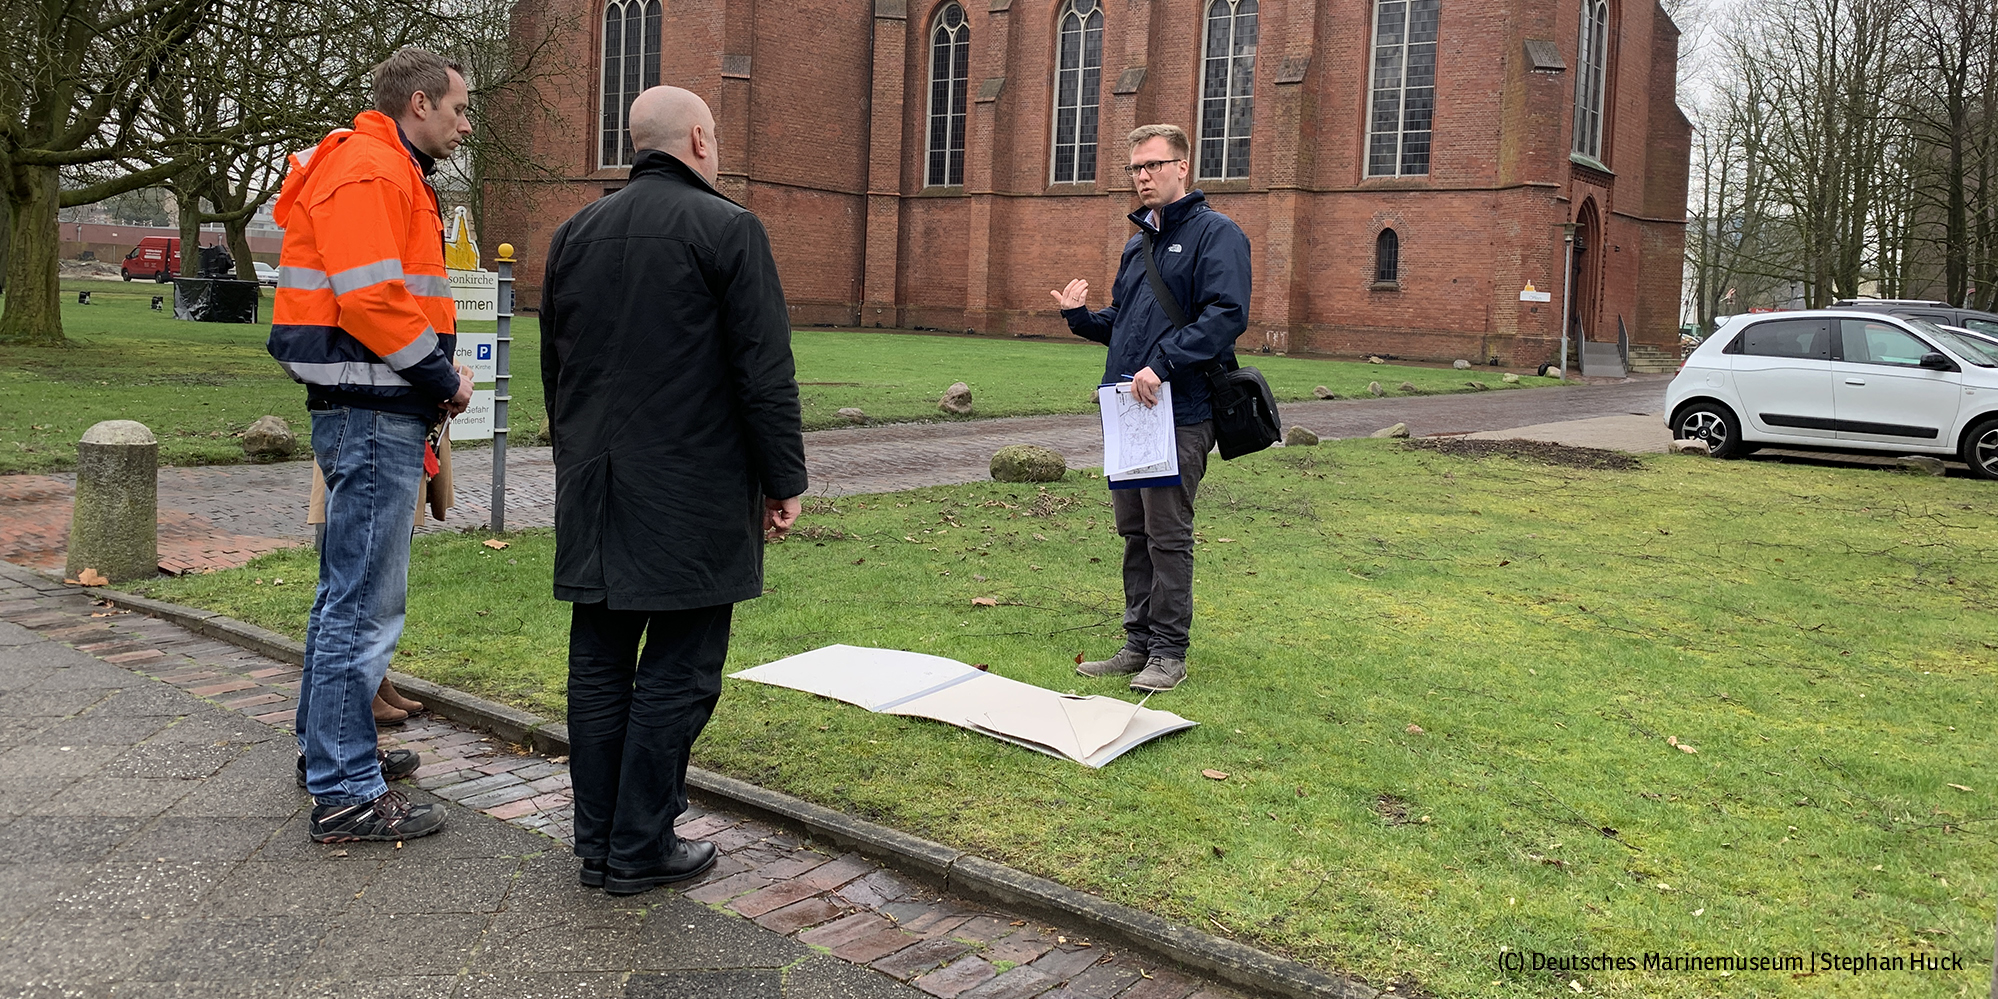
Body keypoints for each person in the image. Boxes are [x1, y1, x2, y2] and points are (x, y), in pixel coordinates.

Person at [541, 86, 807, 896]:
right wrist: (783, 478)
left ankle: (599, 842)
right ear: (698, 138)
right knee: (680, 669)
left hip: (596, 482)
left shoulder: (573, 233)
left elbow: (558, 368)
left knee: (599, 663)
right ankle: (641, 843)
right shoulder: (729, 229)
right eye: (716, 135)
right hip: (693, 487)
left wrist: (577, 457)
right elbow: (762, 370)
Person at [268, 46, 475, 842]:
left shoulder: (377, 166)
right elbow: (373, 299)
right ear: (418, 103)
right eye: (458, 109)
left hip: (367, 405)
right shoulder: (372, 170)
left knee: (343, 594)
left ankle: (333, 751)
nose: (464, 124)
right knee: (363, 602)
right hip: (373, 407)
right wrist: (441, 377)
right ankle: (346, 790)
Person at [1050, 124, 1250, 693]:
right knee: (1135, 532)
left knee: (1168, 534)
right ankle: (1137, 643)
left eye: (1154, 166)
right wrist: (1080, 317)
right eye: (1136, 168)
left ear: (1182, 167)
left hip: (1181, 409)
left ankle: (1169, 652)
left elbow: (1226, 315)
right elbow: (1127, 322)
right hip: (1130, 412)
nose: (1143, 177)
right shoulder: (1138, 245)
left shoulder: (1218, 235)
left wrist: (1162, 364)